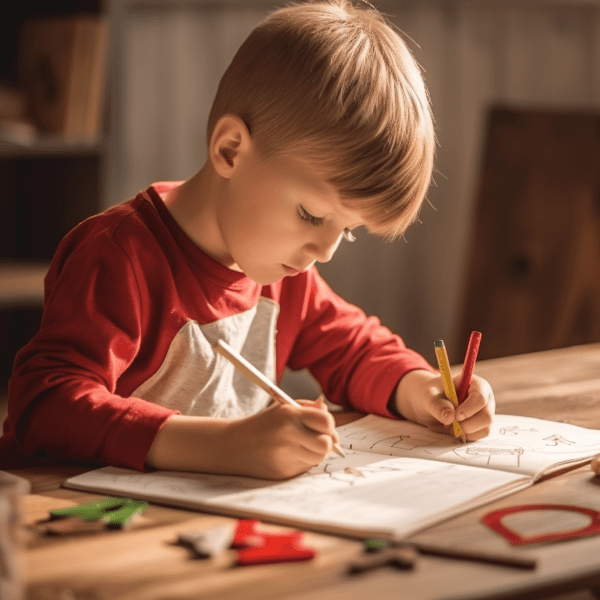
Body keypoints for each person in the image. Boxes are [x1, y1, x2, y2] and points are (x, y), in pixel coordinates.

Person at [0, 0, 495, 478]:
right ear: (231, 150)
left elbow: (354, 348)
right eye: (311, 214)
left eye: (347, 231)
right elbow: (45, 405)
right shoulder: (118, 256)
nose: (323, 252)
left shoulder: (283, 274)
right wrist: (224, 447)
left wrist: (421, 389)